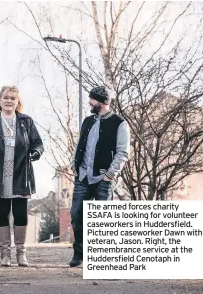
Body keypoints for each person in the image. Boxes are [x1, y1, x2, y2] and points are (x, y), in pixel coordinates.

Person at [0, 85, 44, 267]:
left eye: (13, 98)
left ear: (17, 102)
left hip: (21, 173)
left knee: (20, 213)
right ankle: (5, 254)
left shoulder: (26, 121)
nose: (9, 101)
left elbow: (38, 143)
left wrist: (35, 152)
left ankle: (21, 253)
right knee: (2, 213)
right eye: (5, 97)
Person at [69, 86, 130, 267]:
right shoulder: (87, 121)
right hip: (82, 177)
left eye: (92, 99)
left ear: (102, 102)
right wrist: (74, 165)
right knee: (76, 215)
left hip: (104, 178)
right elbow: (79, 145)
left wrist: (110, 175)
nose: (89, 102)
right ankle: (78, 255)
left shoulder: (119, 123)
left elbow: (123, 152)